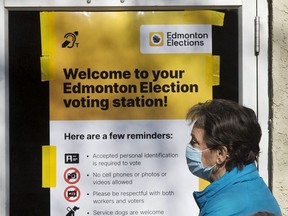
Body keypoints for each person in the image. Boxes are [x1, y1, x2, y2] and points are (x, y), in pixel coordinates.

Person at [185, 99, 282, 216]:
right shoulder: (257, 189)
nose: (190, 146)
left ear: (220, 154)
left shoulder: (221, 209)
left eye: (194, 141)